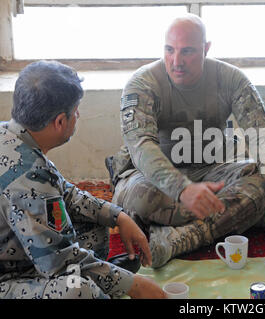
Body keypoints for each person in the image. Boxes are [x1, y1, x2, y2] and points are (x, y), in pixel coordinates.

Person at [106, 14, 265, 268]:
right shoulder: (143, 83)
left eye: (187, 52)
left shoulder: (231, 80)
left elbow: (263, 135)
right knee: (140, 199)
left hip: (212, 171)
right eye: (169, 50)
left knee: (262, 183)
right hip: (153, 179)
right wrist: (182, 189)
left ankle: (175, 238)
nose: (176, 62)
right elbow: (141, 148)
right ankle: (236, 217)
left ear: (206, 49)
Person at [0, 60, 166, 299]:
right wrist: (133, 285)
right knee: (78, 290)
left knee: (94, 222)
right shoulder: (28, 176)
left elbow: (63, 192)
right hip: (6, 279)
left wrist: (117, 215)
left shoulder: (12, 137)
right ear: (60, 122)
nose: (77, 116)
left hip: (14, 254)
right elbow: (58, 262)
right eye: (75, 110)